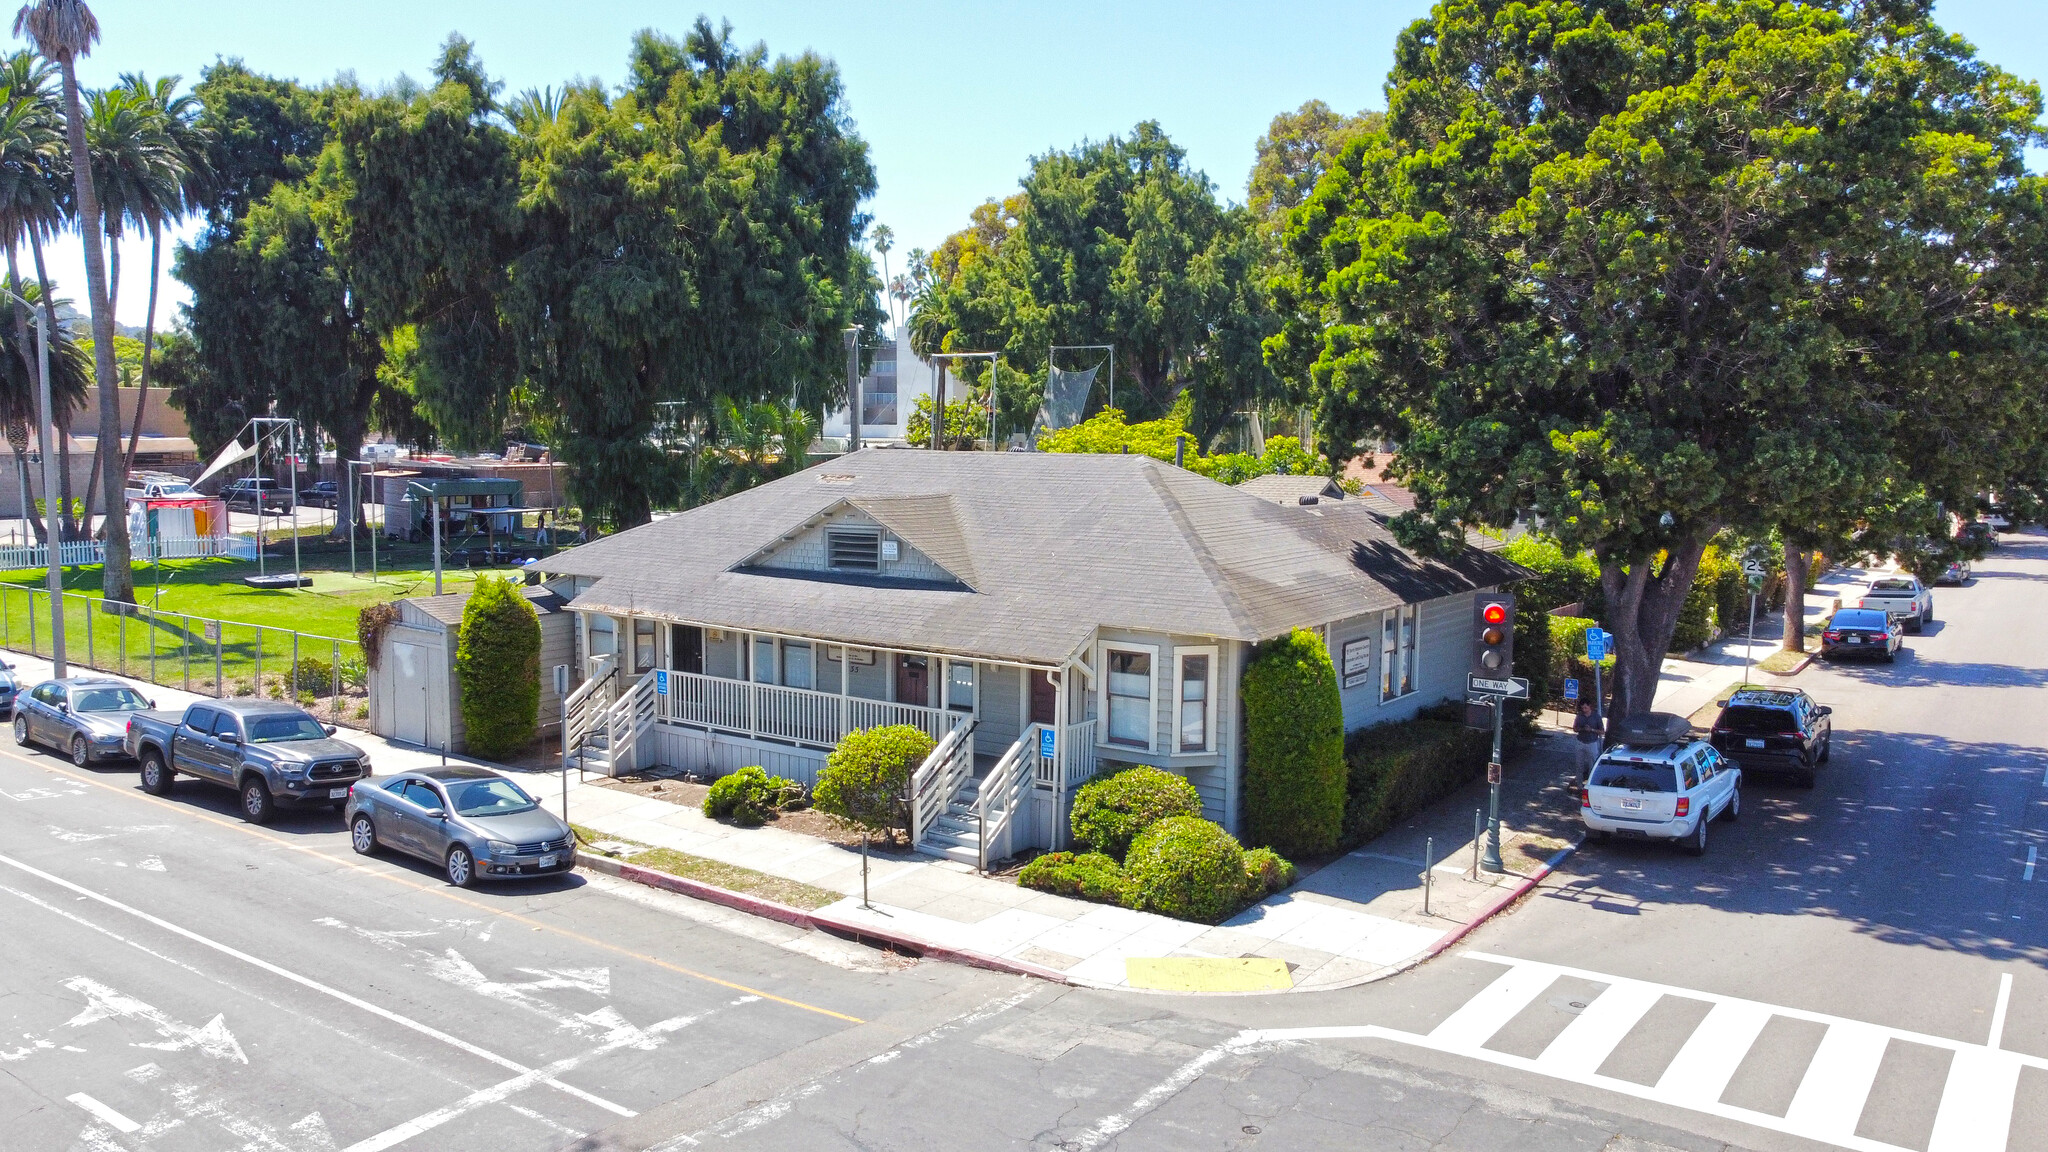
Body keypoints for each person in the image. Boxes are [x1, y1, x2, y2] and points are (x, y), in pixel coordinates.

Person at [1573, 701, 1604, 778]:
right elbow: (1575, 728)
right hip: (1580, 742)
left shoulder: (1596, 717)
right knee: (1579, 764)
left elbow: (1602, 731)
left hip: (1592, 743)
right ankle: (1579, 784)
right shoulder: (1579, 716)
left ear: (1590, 706)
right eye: (1582, 708)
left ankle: (1590, 784)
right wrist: (1582, 729)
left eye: (1585, 707)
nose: (1584, 710)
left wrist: (1592, 730)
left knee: (1592, 765)